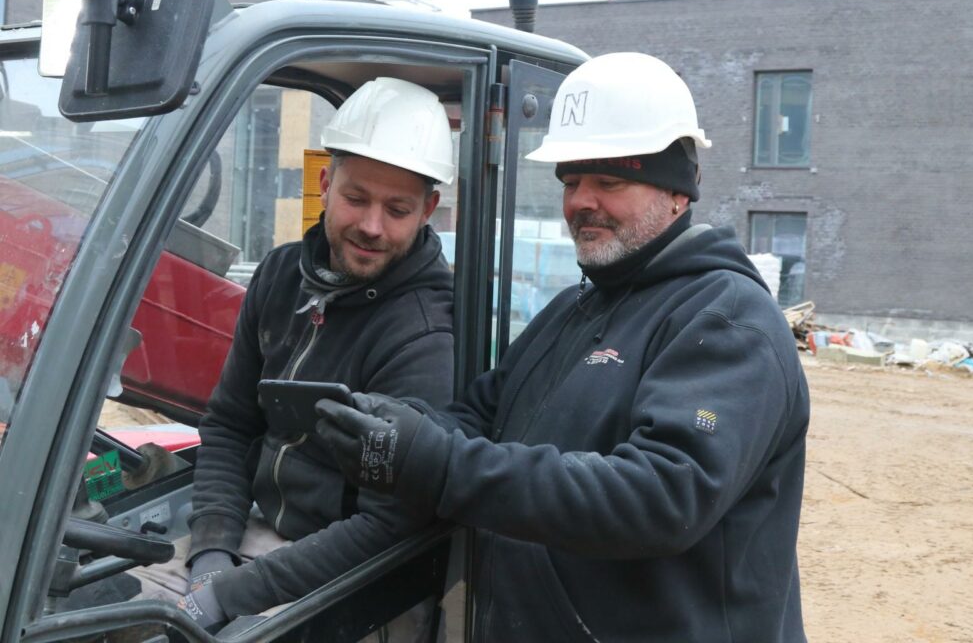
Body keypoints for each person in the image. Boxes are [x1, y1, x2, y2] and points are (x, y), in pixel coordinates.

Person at [316, 53, 810, 642]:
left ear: (677, 193)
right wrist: (396, 423)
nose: (580, 201)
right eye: (572, 181)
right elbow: (479, 417)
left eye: (610, 181)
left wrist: (436, 463)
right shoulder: (580, 307)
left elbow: (660, 496)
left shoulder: (727, 322)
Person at [143, 77, 457, 637]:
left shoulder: (422, 334)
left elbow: (387, 526)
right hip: (249, 532)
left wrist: (231, 595)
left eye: (398, 209)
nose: (371, 225)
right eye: (356, 198)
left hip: (353, 574)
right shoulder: (282, 276)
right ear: (325, 183)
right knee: (106, 604)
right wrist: (212, 549)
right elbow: (231, 422)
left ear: (428, 209)